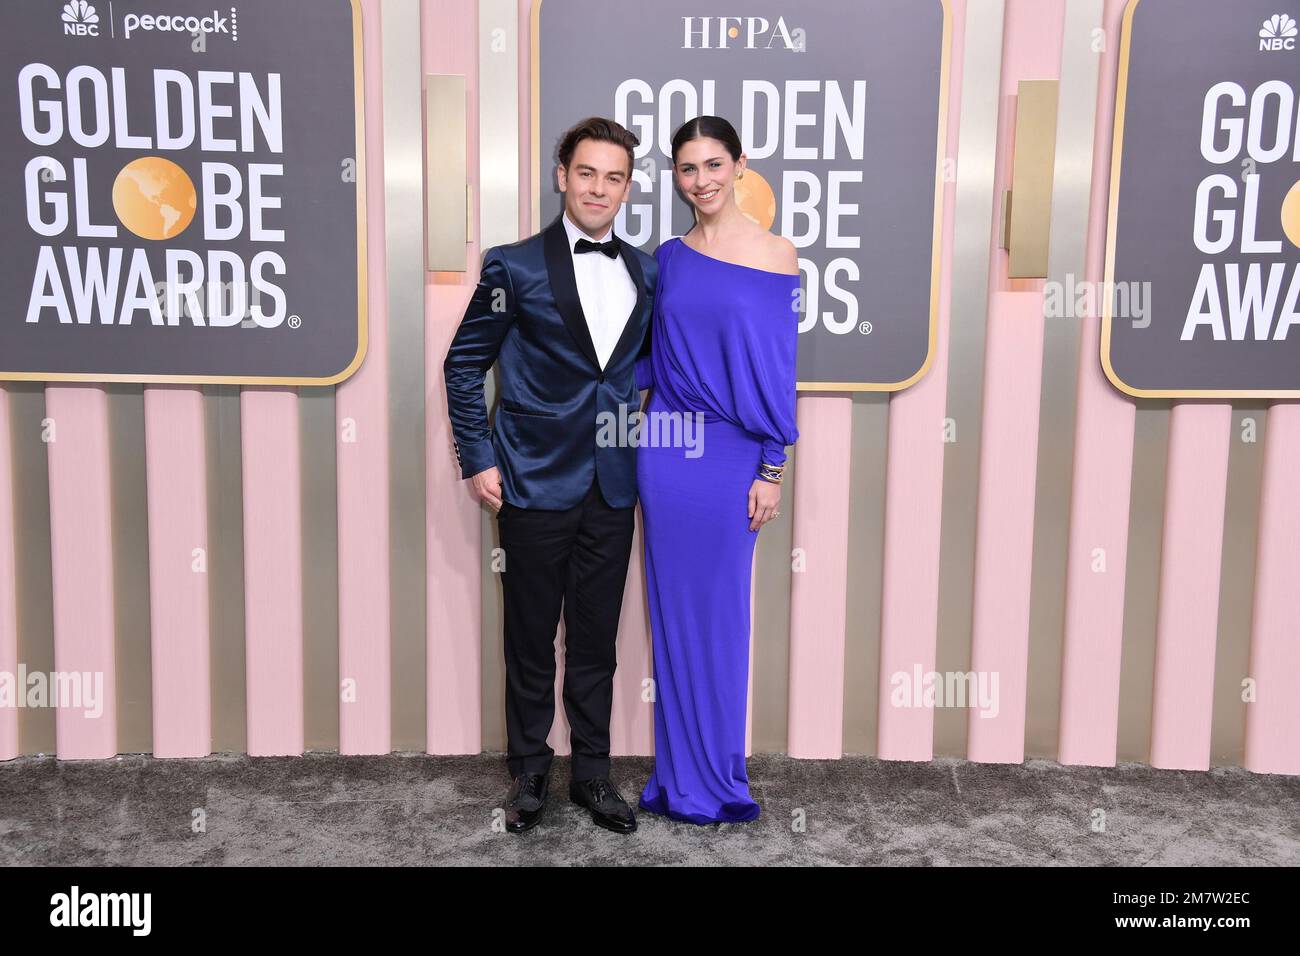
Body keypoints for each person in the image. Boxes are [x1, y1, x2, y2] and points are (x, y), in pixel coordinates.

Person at [443, 117, 657, 834]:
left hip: (613, 482)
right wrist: (477, 456)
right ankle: (530, 771)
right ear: (561, 176)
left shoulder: (645, 270)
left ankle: (593, 774)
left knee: (597, 639)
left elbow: (642, 372)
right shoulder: (515, 265)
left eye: (615, 176)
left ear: (628, 187)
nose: (600, 188)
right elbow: (463, 364)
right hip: (530, 479)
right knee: (531, 637)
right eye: (587, 173)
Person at [634, 115, 800, 824]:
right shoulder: (666, 257)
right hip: (667, 450)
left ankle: (718, 776)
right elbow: (643, 358)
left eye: (712, 164)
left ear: (739, 166)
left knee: (722, 617)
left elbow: (775, 369)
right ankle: (678, 779)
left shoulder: (777, 255)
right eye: (687, 168)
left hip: (733, 455)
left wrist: (772, 464)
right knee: (671, 617)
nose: (700, 180)